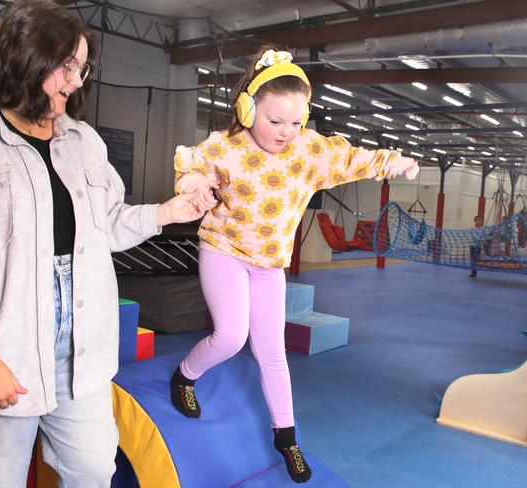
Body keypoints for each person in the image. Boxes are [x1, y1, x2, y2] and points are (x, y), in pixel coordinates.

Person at [0, 1, 205, 486]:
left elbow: (105, 224)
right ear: (25, 56)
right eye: (66, 66)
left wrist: (169, 213)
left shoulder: (82, 140)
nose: (77, 80)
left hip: (81, 347)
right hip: (5, 341)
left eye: (82, 68)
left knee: (92, 469)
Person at [169, 47, 419, 484]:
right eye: (275, 121)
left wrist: (392, 162)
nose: (286, 132)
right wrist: (194, 183)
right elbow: (190, 163)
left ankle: (287, 438)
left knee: (272, 351)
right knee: (230, 336)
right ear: (248, 110)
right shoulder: (227, 149)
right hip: (223, 250)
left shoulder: (309, 152)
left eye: (296, 122)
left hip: (268, 266)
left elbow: (352, 158)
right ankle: (184, 376)